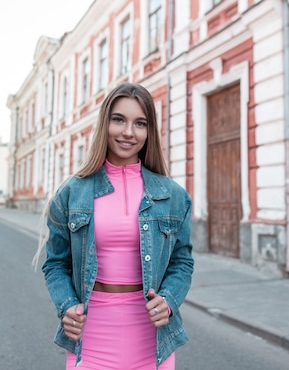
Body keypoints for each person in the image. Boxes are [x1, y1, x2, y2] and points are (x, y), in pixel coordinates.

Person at [33, 82, 194, 370]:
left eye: (140, 123)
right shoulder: (72, 192)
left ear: (149, 131)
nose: (128, 132)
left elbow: (182, 262)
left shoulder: (173, 195)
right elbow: (56, 264)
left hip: (152, 339)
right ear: (105, 123)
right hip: (91, 336)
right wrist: (67, 304)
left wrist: (168, 300)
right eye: (119, 119)